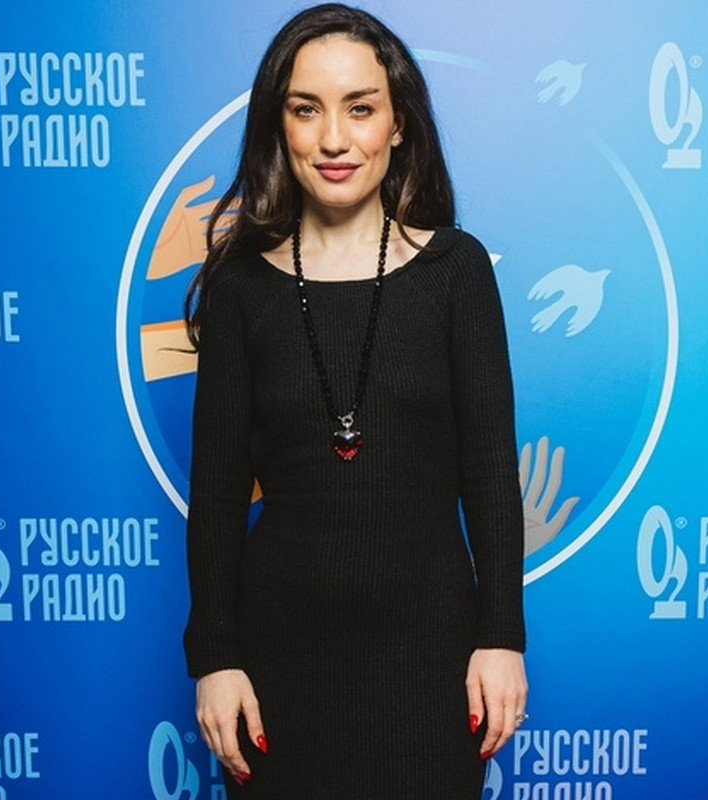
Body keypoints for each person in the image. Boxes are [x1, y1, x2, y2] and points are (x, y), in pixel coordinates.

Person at [182, 4, 527, 797]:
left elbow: (488, 470)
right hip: (277, 663)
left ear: (398, 124)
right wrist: (215, 658)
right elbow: (218, 488)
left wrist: (502, 637)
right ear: (279, 126)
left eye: (360, 109)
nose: (334, 138)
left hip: (433, 661)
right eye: (307, 109)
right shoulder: (240, 287)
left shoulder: (456, 272)